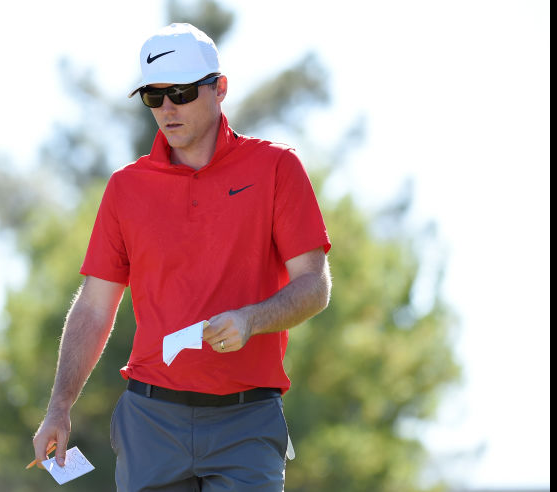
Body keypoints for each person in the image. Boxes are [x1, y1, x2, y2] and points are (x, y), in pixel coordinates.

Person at [32, 22, 332, 491]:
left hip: (247, 422)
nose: (168, 109)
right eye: (154, 97)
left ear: (220, 89)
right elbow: (94, 306)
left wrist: (252, 319)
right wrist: (59, 407)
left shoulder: (276, 167)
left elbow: (314, 286)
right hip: (150, 422)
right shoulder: (125, 189)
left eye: (182, 92)